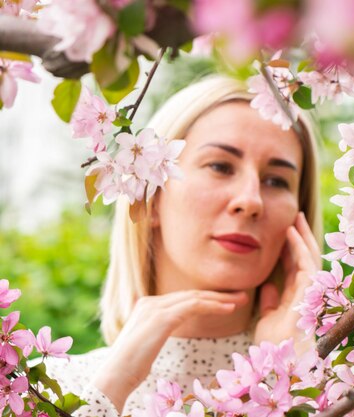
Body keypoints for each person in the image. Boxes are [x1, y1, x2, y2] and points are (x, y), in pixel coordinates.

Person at [44, 75, 323, 417]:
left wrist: (294, 370)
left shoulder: (346, 384)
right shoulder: (47, 386)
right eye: (220, 166)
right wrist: (111, 389)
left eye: (276, 181)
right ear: (151, 197)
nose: (250, 200)